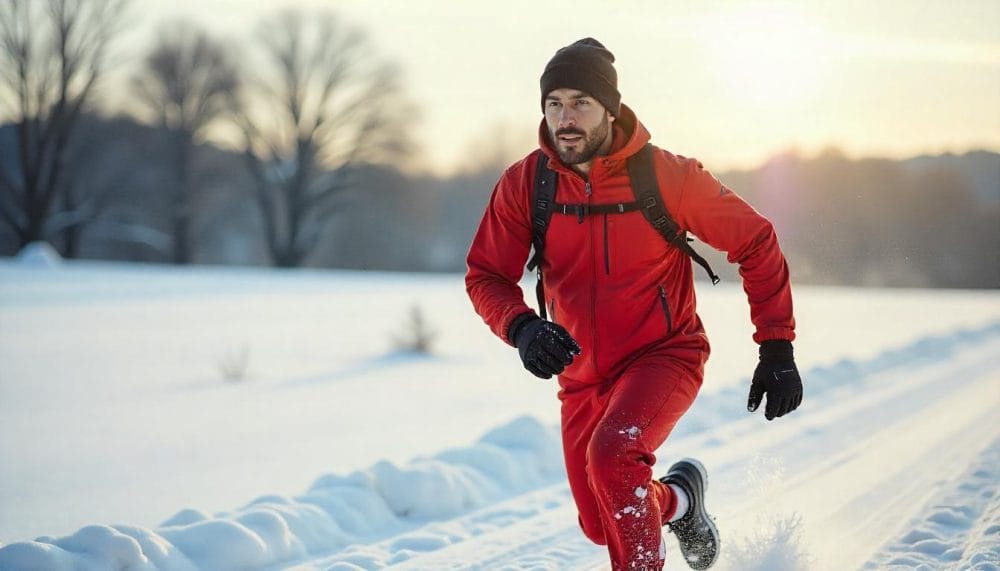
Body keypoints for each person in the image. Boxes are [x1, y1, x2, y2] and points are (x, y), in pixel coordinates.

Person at [465, 37, 803, 571]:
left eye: (580, 103)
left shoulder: (667, 177)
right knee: (603, 522)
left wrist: (777, 346)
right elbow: (486, 275)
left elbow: (756, 241)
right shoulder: (528, 184)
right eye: (554, 104)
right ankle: (682, 500)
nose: (565, 119)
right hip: (581, 374)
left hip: (664, 355)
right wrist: (522, 327)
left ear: (610, 109)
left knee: (614, 457)